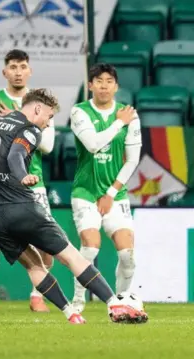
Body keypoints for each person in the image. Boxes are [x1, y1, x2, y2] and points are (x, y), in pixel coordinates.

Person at [0, 88, 147, 324]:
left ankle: (71, 313)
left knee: (34, 266)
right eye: (48, 116)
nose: (47, 124)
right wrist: (22, 175)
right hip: (19, 206)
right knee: (72, 257)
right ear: (37, 108)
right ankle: (115, 304)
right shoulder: (30, 128)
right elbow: (15, 155)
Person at [0, 49, 55, 313]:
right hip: (0, 182)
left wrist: (15, 120)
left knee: (47, 244)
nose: (18, 71)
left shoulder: (41, 103)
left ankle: (37, 295)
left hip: (35, 182)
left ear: (30, 70)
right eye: (13, 67)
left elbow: (49, 147)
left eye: (23, 66)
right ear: (5, 72)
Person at [69, 63, 142, 312]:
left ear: (116, 86)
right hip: (86, 191)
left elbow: (132, 159)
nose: (103, 85)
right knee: (90, 245)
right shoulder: (79, 112)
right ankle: (78, 300)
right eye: (98, 81)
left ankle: (120, 303)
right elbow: (92, 144)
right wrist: (119, 123)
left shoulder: (129, 115)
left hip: (115, 193)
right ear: (90, 85)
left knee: (127, 257)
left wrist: (111, 193)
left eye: (109, 81)